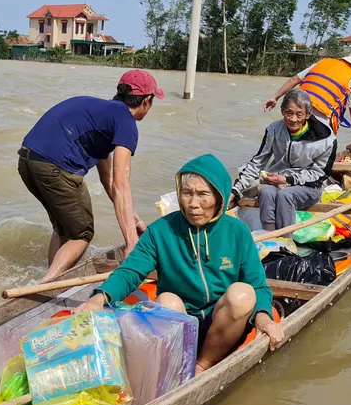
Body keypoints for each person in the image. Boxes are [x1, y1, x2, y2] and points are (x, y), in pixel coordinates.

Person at [74, 154, 284, 373]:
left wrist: (263, 318)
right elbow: (130, 271)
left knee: (243, 294)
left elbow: (257, 284)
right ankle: (180, 367)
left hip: (224, 322)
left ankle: (202, 366)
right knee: (167, 300)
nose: (193, 204)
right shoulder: (161, 231)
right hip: (179, 320)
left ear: (219, 197)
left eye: (203, 194)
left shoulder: (237, 231)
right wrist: (99, 298)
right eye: (187, 193)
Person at [18, 70, 164, 283]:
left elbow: (110, 181)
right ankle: (45, 286)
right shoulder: (126, 123)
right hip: (55, 167)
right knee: (81, 234)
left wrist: (135, 221)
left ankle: (51, 277)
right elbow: (122, 183)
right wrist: (132, 243)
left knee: (64, 228)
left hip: (27, 160)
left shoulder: (102, 115)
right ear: (147, 101)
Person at [231, 88, 337, 231]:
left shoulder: (326, 138)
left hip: (309, 186)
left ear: (308, 114)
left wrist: (287, 180)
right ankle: (269, 236)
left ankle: (286, 241)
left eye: (299, 114)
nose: (293, 119)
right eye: (289, 113)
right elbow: (257, 162)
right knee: (266, 192)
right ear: (282, 111)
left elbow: (321, 174)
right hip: (276, 182)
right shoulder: (273, 130)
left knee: (285, 195)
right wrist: (235, 190)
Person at [263, 46, 351, 145]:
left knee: (290, 144)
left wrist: (275, 98)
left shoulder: (321, 63)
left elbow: (294, 79)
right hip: (319, 117)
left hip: (296, 110)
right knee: (321, 148)